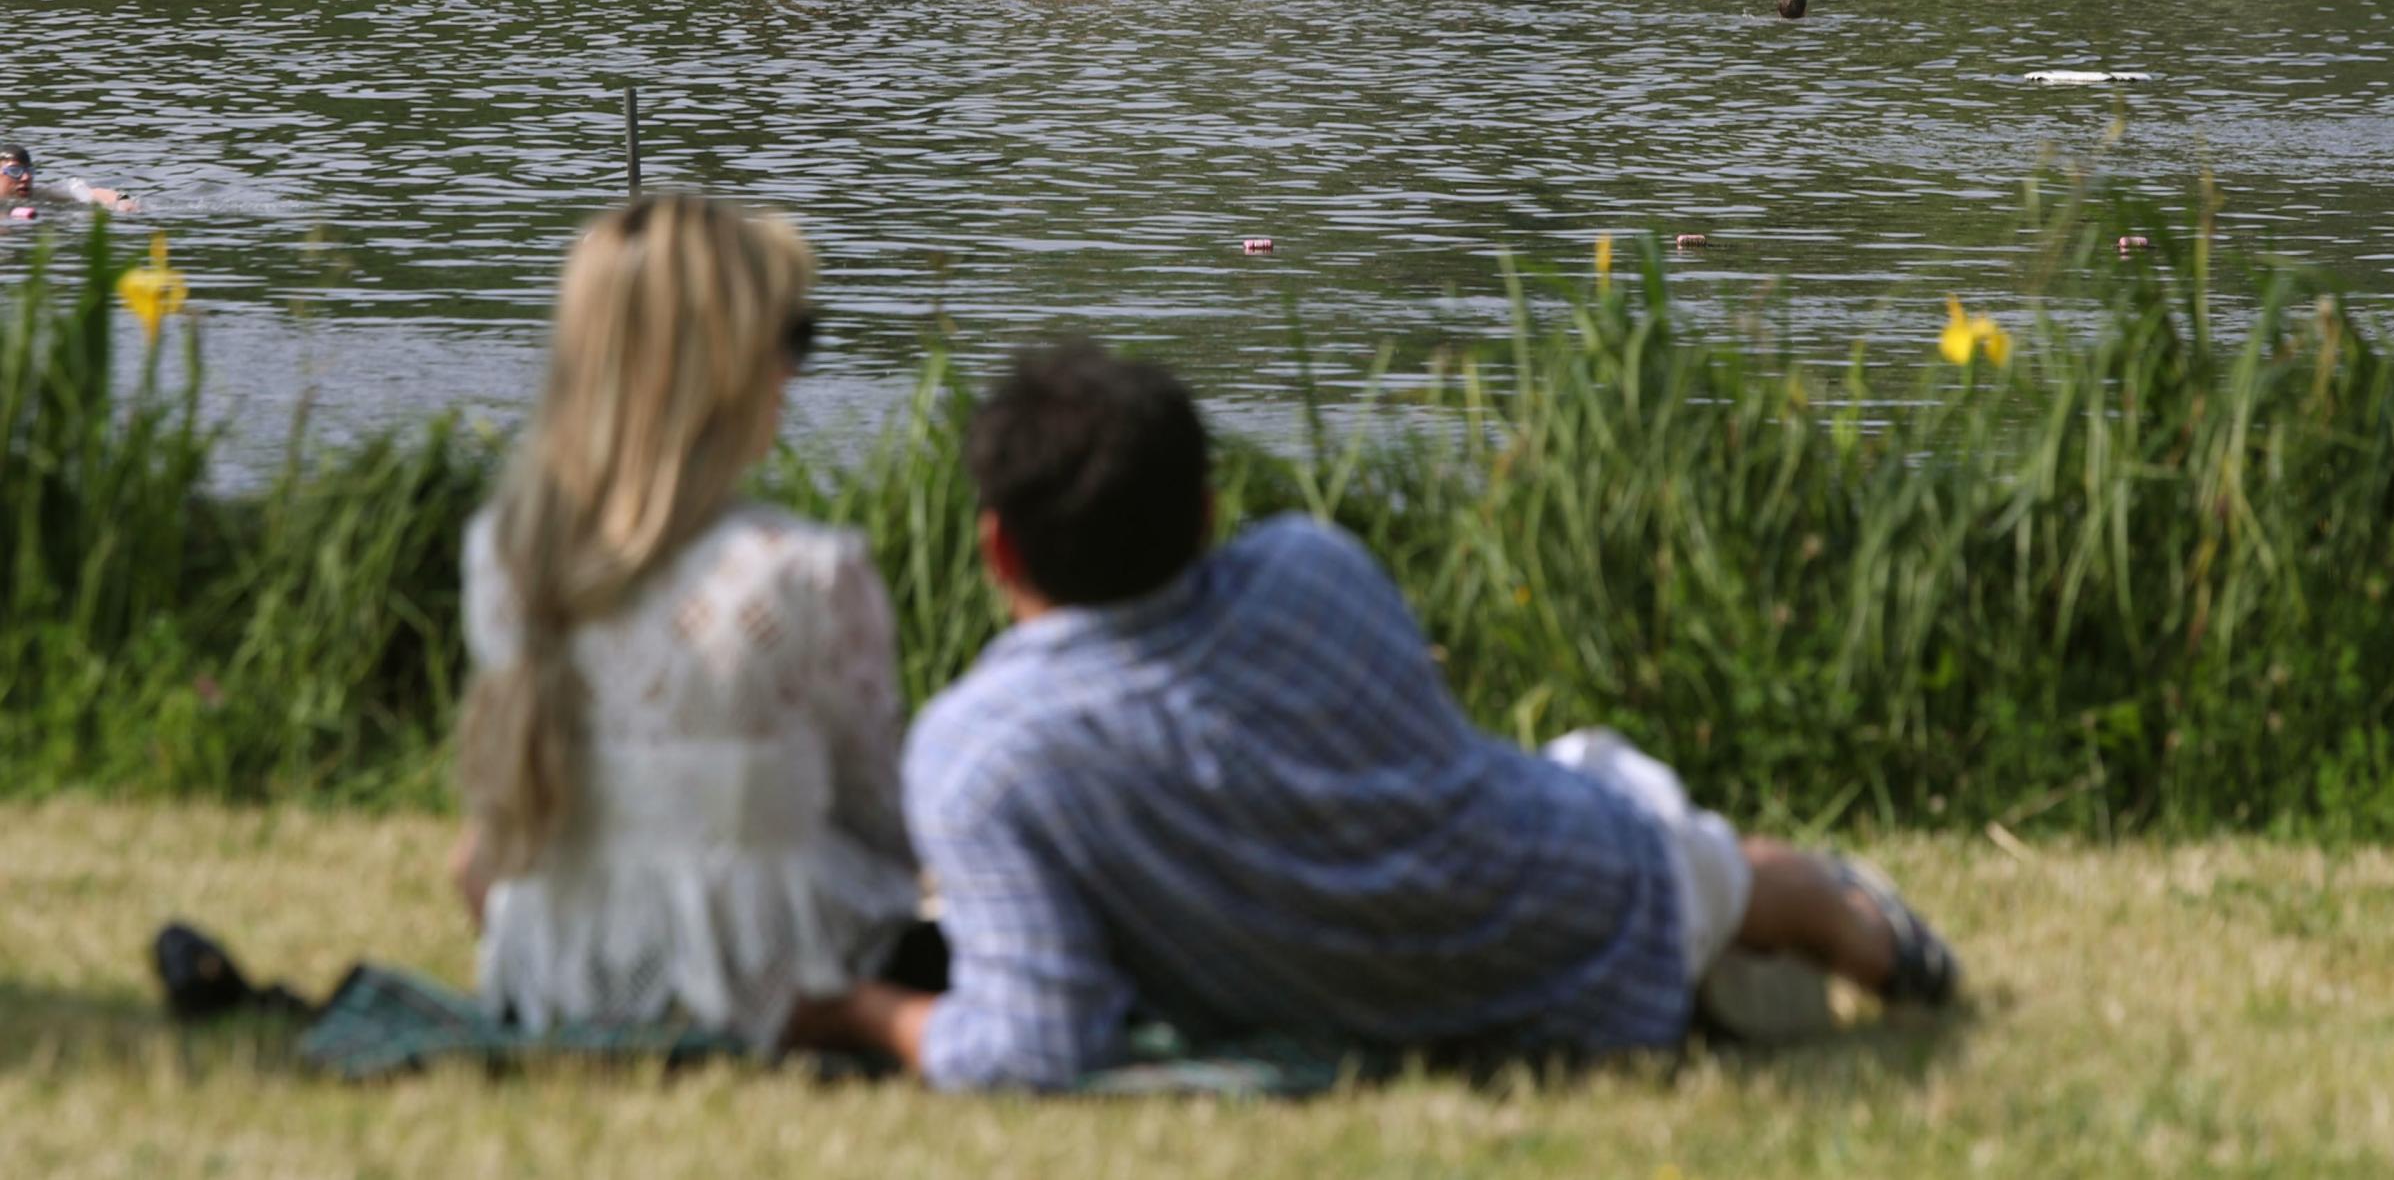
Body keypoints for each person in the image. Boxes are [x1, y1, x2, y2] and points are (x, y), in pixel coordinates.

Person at [796, 341, 1959, 1089]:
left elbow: (1029, 1046)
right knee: (1634, 814)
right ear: (1207, 511)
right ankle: (1843, 923)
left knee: (1615, 800)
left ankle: (1822, 902)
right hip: (1581, 915)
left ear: (996, 544)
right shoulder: (1309, 562)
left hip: (1417, 1001)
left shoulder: (978, 750)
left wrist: (867, 1012)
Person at [450, 193, 924, 1049]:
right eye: (794, 338)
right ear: (731, 365)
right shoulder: (806, 571)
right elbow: (880, 830)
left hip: (557, 964)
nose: (796, 370)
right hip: (776, 970)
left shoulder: (505, 554)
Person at [1, 144, 138, 214]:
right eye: (15, 171)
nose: (26, 177)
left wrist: (123, 200)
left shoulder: (40, 194)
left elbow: (93, 193)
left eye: (30, 171)